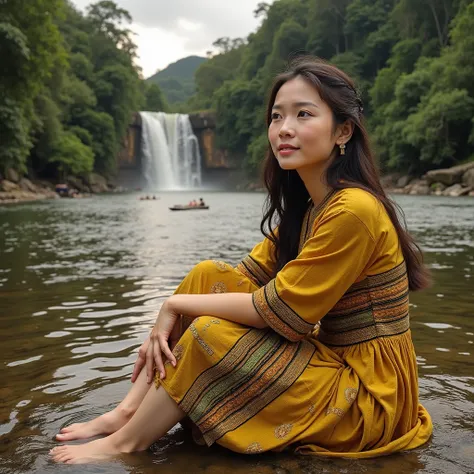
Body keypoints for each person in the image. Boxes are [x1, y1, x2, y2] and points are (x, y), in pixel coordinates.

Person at [51, 57, 433, 464]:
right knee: (205, 276)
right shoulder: (309, 209)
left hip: (371, 396)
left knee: (208, 333)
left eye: (303, 114)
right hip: (332, 361)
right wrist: (185, 300)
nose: (284, 129)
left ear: (343, 130)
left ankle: (126, 444)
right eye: (277, 116)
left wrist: (173, 305)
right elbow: (238, 280)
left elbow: (280, 310)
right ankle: (129, 411)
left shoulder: (353, 209)